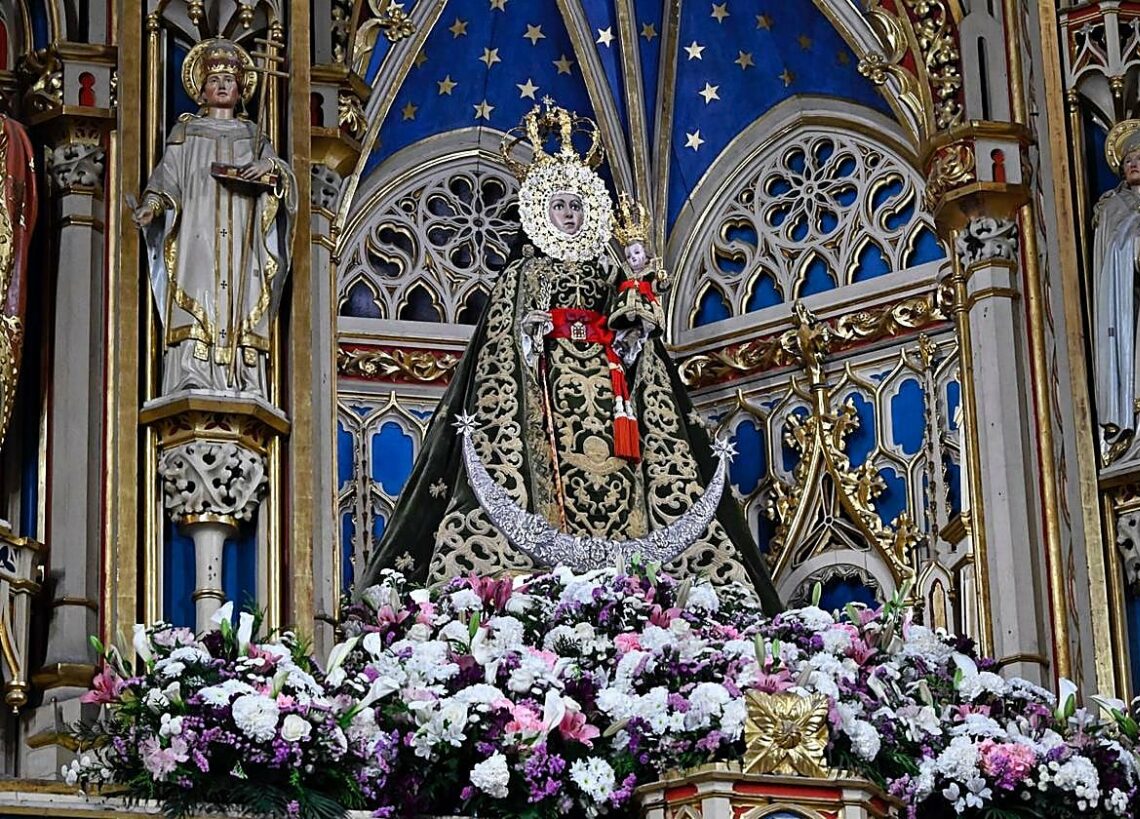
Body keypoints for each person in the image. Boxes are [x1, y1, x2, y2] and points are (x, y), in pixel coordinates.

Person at [360, 103, 780, 611]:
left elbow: (631, 316)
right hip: (544, 388)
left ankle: (635, 558)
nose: (570, 215)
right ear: (540, 212)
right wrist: (531, 337)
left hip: (611, 389)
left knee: (631, 460)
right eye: (560, 206)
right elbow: (499, 348)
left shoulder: (607, 268)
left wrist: (631, 321)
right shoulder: (521, 274)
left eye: (577, 207)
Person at [134, 38, 296, 399]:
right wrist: (153, 206)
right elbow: (168, 179)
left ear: (240, 91)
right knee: (196, 295)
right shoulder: (186, 133)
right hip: (198, 236)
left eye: (229, 81)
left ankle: (244, 379)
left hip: (242, 238)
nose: (222, 86)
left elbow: (282, 180)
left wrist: (266, 167)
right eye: (214, 80)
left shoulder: (255, 136)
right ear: (201, 91)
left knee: (244, 298)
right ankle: (191, 375)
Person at [1093, 119, 1140, 461]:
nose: (1132, 164)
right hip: (1135, 300)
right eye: (1128, 161)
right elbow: (1115, 250)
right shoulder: (1114, 207)